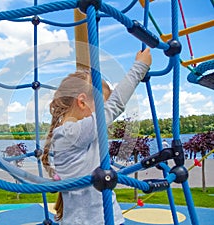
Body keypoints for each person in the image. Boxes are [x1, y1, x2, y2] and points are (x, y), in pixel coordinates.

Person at [42, 48, 152, 225]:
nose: (103, 112)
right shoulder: (74, 132)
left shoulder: (65, 133)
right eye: (102, 105)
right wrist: (140, 66)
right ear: (82, 101)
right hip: (99, 221)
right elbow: (116, 105)